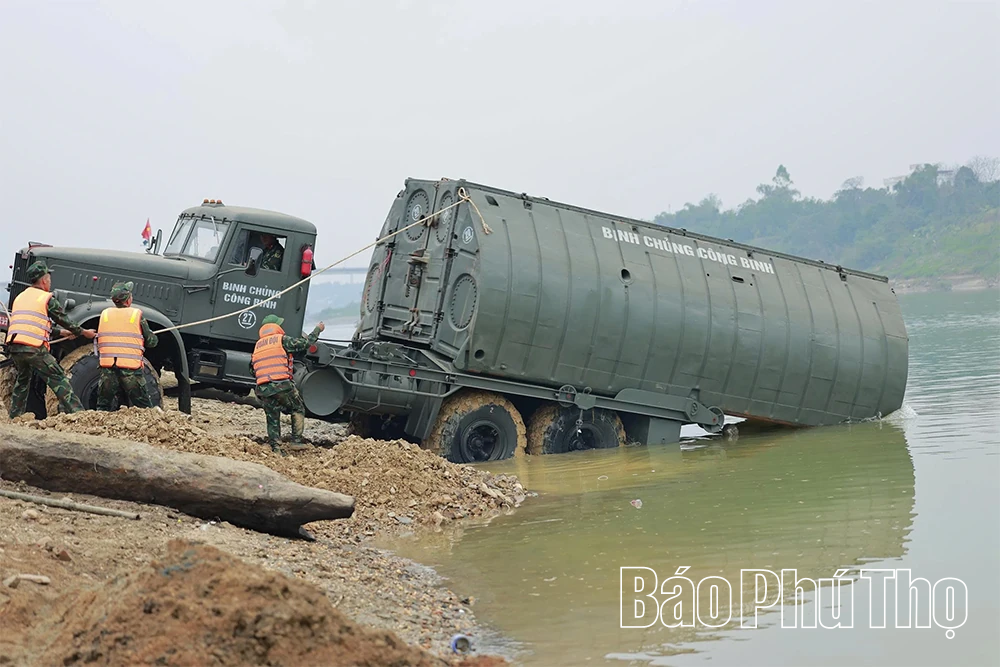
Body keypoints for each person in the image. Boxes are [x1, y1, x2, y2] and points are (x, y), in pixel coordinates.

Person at [6, 261, 96, 418]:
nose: (50, 282)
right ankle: (80, 415)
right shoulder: (46, 298)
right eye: (49, 279)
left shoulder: (21, 297)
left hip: (15, 347)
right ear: (43, 281)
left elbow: (31, 324)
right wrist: (83, 332)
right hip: (34, 348)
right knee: (58, 378)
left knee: (22, 381)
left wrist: (61, 333)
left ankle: (15, 417)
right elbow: (64, 319)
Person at [249, 314, 324, 454]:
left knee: (272, 416)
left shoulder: (258, 346)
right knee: (298, 408)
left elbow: (252, 369)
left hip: (263, 388)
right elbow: (305, 344)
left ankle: (275, 448)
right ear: (275, 326)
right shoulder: (281, 340)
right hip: (281, 385)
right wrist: (317, 330)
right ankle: (296, 441)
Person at [95, 281, 159, 411]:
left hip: (108, 369)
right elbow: (152, 342)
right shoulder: (136, 315)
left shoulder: (105, 314)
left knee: (102, 408)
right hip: (131, 371)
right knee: (144, 409)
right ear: (128, 300)